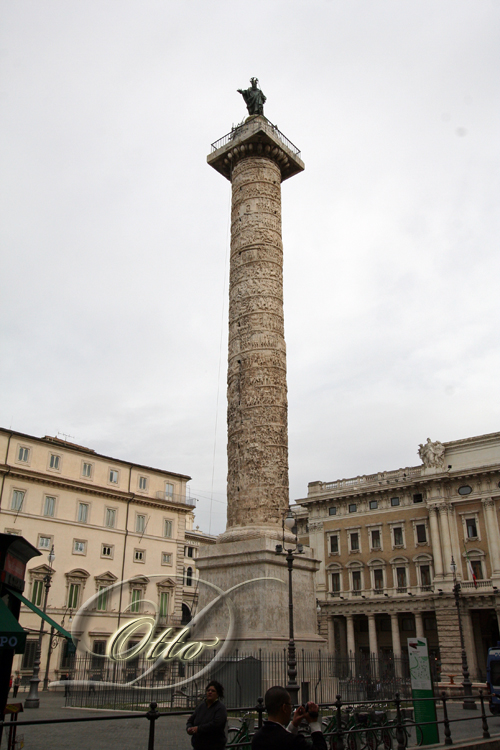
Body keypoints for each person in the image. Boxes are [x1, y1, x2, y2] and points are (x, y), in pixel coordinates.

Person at [252, 686, 327, 749]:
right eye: (290, 705)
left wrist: (293, 725)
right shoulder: (293, 741)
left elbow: (280, 736)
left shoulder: (257, 738)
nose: (291, 709)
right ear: (284, 708)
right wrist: (313, 722)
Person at [186, 680, 227, 749]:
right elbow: (190, 720)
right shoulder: (201, 706)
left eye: (213, 691)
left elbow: (216, 724)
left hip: (214, 745)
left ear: (217, 694)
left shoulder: (220, 708)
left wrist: (198, 729)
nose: (210, 692)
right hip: (198, 745)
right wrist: (189, 728)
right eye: (208, 690)